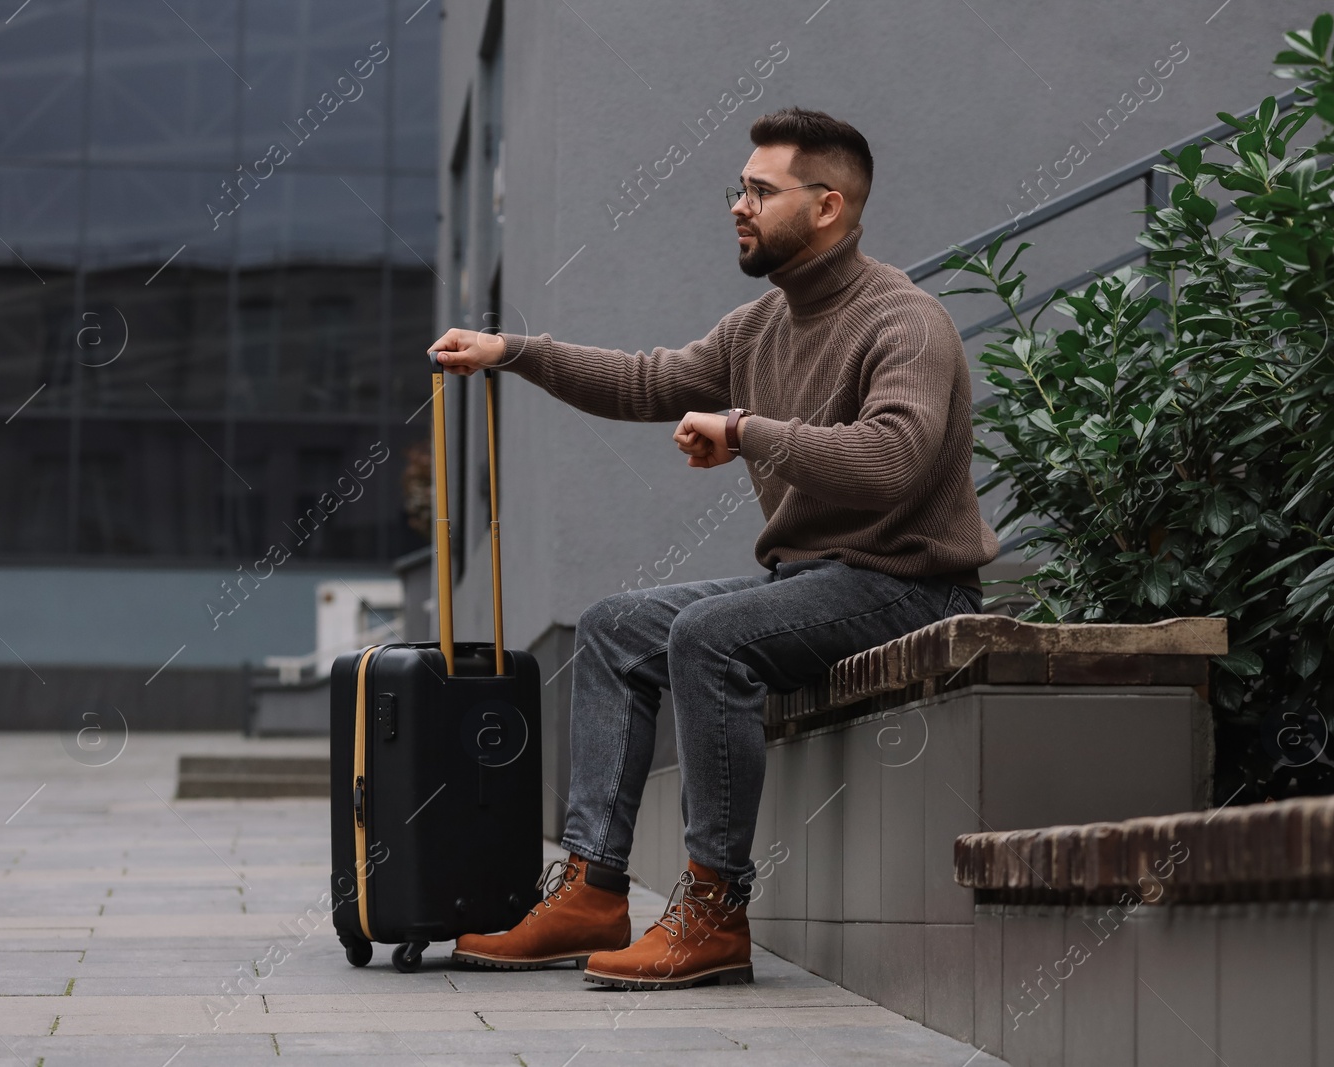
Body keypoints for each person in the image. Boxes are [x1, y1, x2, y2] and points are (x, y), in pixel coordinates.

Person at [428, 106, 998, 991]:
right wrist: (514, 350)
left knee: (710, 634)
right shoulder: (758, 327)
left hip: (910, 582)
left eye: (760, 191)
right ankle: (591, 888)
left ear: (827, 207)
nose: (739, 205)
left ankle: (714, 908)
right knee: (616, 626)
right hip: (813, 582)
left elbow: (891, 461)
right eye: (738, 187)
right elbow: (648, 380)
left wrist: (747, 430)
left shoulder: (906, 322)